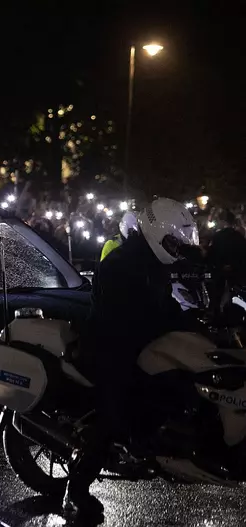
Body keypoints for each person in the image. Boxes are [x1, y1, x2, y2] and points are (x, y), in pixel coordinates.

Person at [68, 198, 198, 520]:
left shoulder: (152, 263)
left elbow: (165, 306)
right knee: (115, 412)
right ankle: (77, 489)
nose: (176, 249)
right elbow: (127, 317)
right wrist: (167, 324)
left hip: (139, 342)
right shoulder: (120, 263)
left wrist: (195, 324)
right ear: (155, 231)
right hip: (110, 345)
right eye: (173, 242)